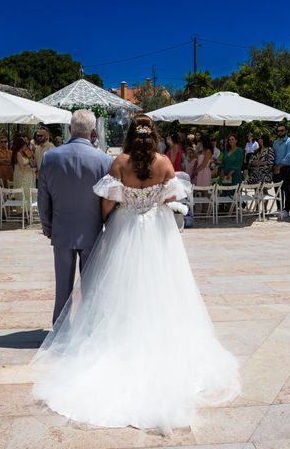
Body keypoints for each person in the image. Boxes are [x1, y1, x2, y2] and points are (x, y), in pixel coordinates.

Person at [32, 114, 241, 433]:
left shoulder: (119, 163)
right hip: (157, 235)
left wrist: (115, 219)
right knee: (162, 289)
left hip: (125, 229)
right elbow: (171, 200)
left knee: (121, 290)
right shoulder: (165, 164)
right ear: (154, 136)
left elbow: (106, 205)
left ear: (130, 136)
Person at [37, 109, 112, 324]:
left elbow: (44, 198)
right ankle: (88, 329)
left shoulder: (50, 158)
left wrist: (48, 227)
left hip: (61, 231)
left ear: (70, 129)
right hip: (92, 231)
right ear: (93, 132)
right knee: (91, 288)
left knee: (62, 287)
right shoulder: (104, 161)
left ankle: (60, 328)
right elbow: (108, 200)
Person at [272, 124, 290, 219]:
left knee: (287, 189)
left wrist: (279, 166)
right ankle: (279, 208)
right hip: (276, 167)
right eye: (278, 131)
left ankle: (286, 210)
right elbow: (273, 155)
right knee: (277, 189)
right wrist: (274, 166)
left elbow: (289, 156)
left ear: (286, 131)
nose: (279, 132)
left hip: (286, 168)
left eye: (281, 130)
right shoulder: (275, 142)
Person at [12, 136, 36, 205]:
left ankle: (29, 210)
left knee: (28, 192)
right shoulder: (18, 154)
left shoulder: (24, 152)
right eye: (25, 144)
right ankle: (23, 210)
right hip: (22, 176)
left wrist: (30, 156)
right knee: (24, 192)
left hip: (28, 176)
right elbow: (22, 168)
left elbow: (32, 163)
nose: (26, 145)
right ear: (21, 145)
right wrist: (32, 169)